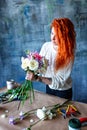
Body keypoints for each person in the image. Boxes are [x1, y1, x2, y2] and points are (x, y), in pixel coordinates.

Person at [26, 18, 76, 99]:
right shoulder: (46, 46)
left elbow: (60, 82)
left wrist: (38, 78)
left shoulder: (68, 54)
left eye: (57, 36)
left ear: (65, 37)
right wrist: (32, 68)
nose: (53, 38)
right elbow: (40, 68)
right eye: (52, 33)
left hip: (63, 91)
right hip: (49, 87)